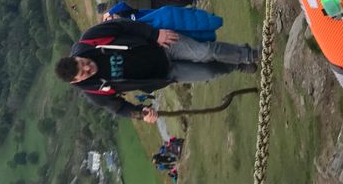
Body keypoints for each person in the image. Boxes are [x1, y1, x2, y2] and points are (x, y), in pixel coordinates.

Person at [54, 18, 259, 120]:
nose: (88, 67)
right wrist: (141, 113)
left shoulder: (91, 39)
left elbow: (122, 25)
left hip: (162, 45)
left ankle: (250, 55)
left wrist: (154, 34)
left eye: (83, 63)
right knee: (210, 72)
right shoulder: (94, 92)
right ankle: (237, 63)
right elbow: (119, 108)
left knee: (205, 52)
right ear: (77, 81)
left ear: (76, 57)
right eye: (85, 72)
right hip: (165, 75)